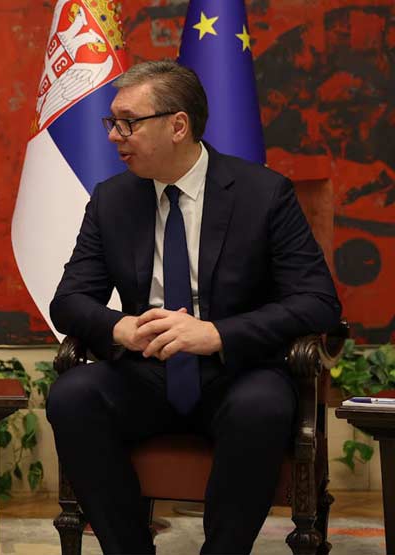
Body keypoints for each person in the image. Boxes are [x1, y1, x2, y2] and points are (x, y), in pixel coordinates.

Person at [46, 60, 340, 554]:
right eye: (112, 122)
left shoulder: (263, 193)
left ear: (177, 125)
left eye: (128, 123)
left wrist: (218, 334)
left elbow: (318, 302)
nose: (114, 135)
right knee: (73, 395)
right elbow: (69, 301)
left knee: (262, 405)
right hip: (147, 372)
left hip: (238, 371)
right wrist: (122, 328)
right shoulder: (112, 199)